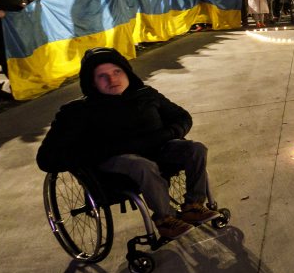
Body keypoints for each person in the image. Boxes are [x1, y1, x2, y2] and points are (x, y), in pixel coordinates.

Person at [36, 47, 221, 239]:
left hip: (158, 149)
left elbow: (181, 117)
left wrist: (168, 133)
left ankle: (193, 206)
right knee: (142, 165)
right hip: (115, 162)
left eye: (117, 72)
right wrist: (99, 151)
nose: (112, 79)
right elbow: (47, 158)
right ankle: (165, 220)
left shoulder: (146, 94)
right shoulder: (76, 112)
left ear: (127, 72)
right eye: (102, 76)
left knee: (195, 149)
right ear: (92, 82)